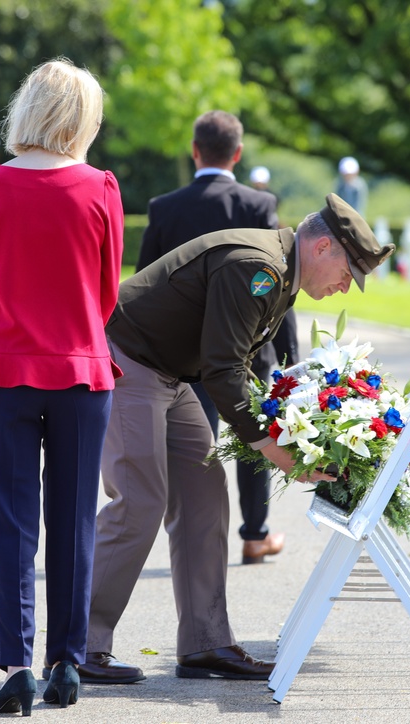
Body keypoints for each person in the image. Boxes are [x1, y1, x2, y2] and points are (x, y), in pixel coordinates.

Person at [82, 194, 394, 685]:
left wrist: (292, 429)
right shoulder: (258, 267)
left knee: (206, 497)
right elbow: (223, 368)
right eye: (347, 273)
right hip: (131, 361)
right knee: (139, 499)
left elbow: (236, 366)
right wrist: (273, 448)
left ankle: (205, 643)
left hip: (170, 371)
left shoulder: (280, 274)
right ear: (322, 247)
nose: (344, 288)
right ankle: (79, 645)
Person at [0, 58, 123, 716]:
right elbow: (108, 289)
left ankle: (16, 665)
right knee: (74, 522)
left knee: (11, 526)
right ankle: (67, 663)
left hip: (2, 367)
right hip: (81, 369)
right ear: (83, 119)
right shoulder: (100, 187)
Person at [135, 110, 292, 566]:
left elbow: (146, 281)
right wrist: (288, 354)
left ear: (194, 150)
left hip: (182, 353)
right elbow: (280, 280)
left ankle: (196, 537)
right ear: (238, 154)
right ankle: (255, 534)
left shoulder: (165, 207)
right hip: (245, 349)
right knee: (253, 438)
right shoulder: (259, 205)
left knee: (195, 448)